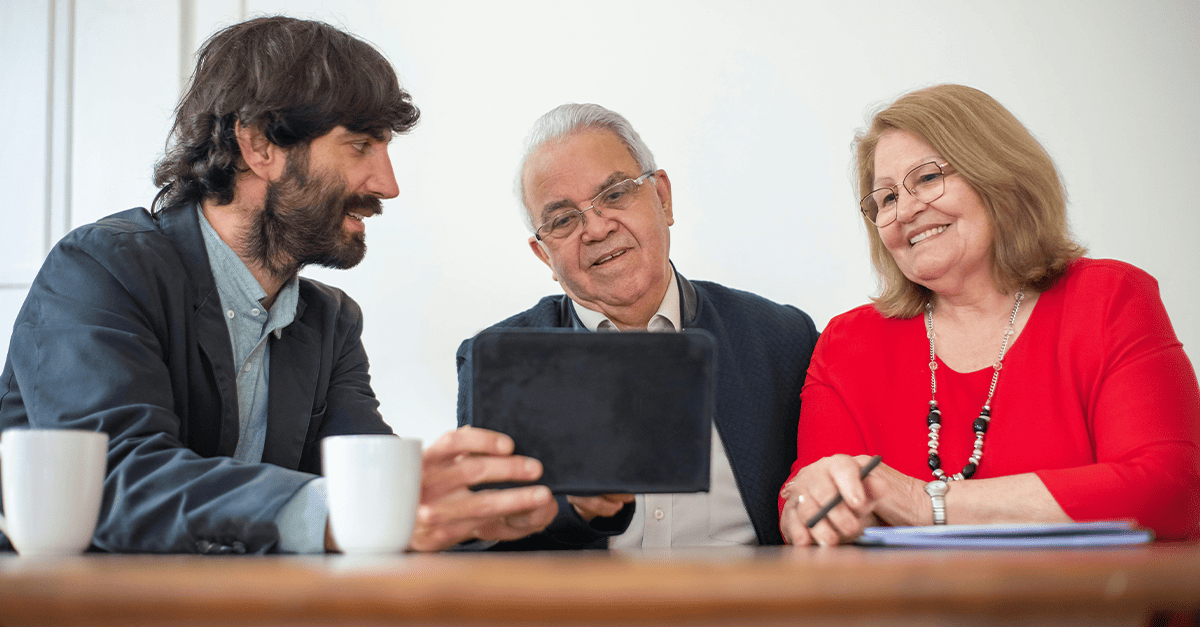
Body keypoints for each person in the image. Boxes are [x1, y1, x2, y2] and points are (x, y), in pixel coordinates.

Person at [0, 16, 556, 555]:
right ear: (260, 146)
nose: (388, 184)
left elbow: (385, 496)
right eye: (361, 146)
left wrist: (541, 504)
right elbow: (111, 478)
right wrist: (355, 513)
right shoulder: (99, 270)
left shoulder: (329, 322)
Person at [778, 84, 1200, 545]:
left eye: (926, 178)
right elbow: (807, 501)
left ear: (997, 174)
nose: (905, 211)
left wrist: (925, 503)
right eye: (886, 199)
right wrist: (809, 506)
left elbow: (1171, 490)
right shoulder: (848, 344)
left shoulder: (1109, 298)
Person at [455, 103, 819, 548]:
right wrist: (571, 507)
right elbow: (483, 547)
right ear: (544, 255)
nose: (596, 228)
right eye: (564, 219)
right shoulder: (501, 362)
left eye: (615, 194)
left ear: (662, 198)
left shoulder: (782, 338)